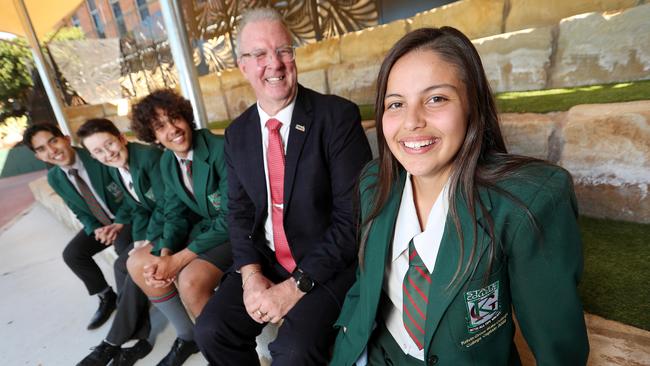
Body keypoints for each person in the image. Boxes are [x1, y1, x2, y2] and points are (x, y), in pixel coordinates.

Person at [329, 27, 590, 366]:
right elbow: (365, 289)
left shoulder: (530, 202)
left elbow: (559, 352)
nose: (411, 122)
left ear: (472, 106)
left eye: (436, 98)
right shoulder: (373, 182)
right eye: (395, 104)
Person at [193, 7, 372, 365]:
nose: (274, 64)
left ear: (294, 57)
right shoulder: (237, 133)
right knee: (211, 330)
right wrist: (250, 276)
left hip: (327, 265)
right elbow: (240, 214)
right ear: (243, 66)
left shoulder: (337, 118)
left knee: (292, 352)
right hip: (268, 260)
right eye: (259, 54)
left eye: (283, 51)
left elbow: (352, 220)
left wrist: (294, 288)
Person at [127, 89, 231, 366]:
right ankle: (192, 337)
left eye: (175, 118)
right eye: (160, 126)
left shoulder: (220, 148)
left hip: (238, 232)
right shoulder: (167, 161)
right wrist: (165, 256)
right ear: (153, 136)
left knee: (190, 281)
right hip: (208, 230)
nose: (172, 129)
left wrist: (180, 260)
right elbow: (174, 215)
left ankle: (223, 352)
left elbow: (233, 218)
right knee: (142, 262)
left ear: (186, 117)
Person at [22, 124, 131, 331]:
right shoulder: (55, 177)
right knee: (73, 254)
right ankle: (106, 295)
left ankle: (131, 305)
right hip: (102, 223)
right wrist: (95, 229)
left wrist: (119, 223)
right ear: (39, 157)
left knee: (122, 244)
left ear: (65, 138)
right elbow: (78, 210)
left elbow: (128, 190)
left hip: (129, 217)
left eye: (53, 141)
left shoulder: (97, 156)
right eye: (42, 149)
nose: (52, 151)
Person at [75, 118, 164, 365]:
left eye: (109, 144)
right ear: (92, 156)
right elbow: (138, 207)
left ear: (121, 138)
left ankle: (111, 343)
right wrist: (138, 242)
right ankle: (138, 337)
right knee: (120, 264)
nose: (107, 153)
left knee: (134, 264)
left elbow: (167, 205)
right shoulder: (118, 166)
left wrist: (145, 244)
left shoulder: (148, 158)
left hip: (178, 226)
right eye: (97, 151)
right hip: (156, 226)